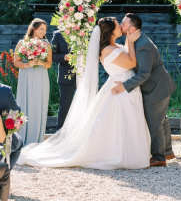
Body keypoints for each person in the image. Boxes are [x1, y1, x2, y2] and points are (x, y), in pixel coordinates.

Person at [17, 17, 151, 169]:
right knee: (121, 121)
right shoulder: (108, 50)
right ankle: (120, 155)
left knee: (128, 121)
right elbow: (131, 63)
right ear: (111, 31)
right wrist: (131, 41)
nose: (120, 25)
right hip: (119, 89)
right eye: (116, 24)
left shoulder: (114, 46)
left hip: (124, 86)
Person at [112, 13, 176, 167]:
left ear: (132, 28)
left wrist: (124, 86)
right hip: (157, 86)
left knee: (154, 121)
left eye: (124, 23)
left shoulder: (143, 46)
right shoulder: (135, 40)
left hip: (156, 88)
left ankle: (159, 157)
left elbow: (144, 74)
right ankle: (167, 151)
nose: (121, 25)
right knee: (161, 119)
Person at [14, 18, 52, 145]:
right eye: (41, 29)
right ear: (33, 29)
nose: (43, 32)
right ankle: (21, 138)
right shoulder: (22, 43)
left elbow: (49, 64)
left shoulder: (46, 44)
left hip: (41, 77)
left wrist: (40, 62)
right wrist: (28, 64)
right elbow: (16, 62)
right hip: (26, 77)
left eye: (45, 30)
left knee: (39, 105)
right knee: (25, 104)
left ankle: (37, 139)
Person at [51, 30, 76, 130]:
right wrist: (64, 57)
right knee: (65, 106)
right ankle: (60, 132)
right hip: (66, 76)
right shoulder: (58, 34)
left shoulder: (86, 32)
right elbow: (52, 55)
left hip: (84, 75)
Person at [0, 83, 23, 169]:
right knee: (19, 143)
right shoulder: (4, 91)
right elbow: (16, 112)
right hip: (2, 141)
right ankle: (5, 174)